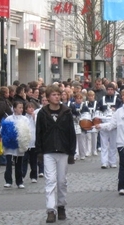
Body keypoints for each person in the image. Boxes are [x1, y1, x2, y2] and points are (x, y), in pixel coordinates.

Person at [36, 85, 76, 223]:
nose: (57, 97)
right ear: (47, 97)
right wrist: (39, 151)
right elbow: (39, 133)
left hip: (63, 150)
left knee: (61, 181)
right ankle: (50, 210)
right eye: (53, 94)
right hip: (48, 150)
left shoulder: (66, 112)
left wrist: (72, 152)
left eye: (58, 94)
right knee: (50, 180)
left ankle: (61, 206)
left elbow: (71, 133)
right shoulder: (42, 113)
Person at [0, 101, 31, 188]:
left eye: (22, 108)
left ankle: (19, 181)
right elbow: (2, 130)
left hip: (19, 146)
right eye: (19, 107)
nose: (21, 109)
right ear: (14, 108)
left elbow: (28, 131)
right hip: (9, 146)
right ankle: (8, 181)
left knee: (19, 164)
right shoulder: (9, 119)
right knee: (9, 163)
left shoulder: (25, 119)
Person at [97, 83, 122, 168]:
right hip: (104, 123)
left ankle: (112, 161)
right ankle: (104, 162)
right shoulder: (102, 100)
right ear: (106, 90)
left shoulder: (118, 100)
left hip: (114, 124)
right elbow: (97, 111)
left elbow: (120, 111)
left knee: (113, 144)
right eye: (108, 89)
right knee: (104, 144)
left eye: (112, 89)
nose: (110, 91)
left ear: (114, 90)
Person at [22, 102, 38, 183]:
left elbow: (38, 127)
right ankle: (22, 175)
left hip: (34, 142)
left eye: (32, 107)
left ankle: (34, 176)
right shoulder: (24, 118)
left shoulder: (36, 117)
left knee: (33, 160)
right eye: (29, 107)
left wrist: (34, 118)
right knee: (24, 160)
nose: (31, 109)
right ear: (26, 109)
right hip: (26, 142)